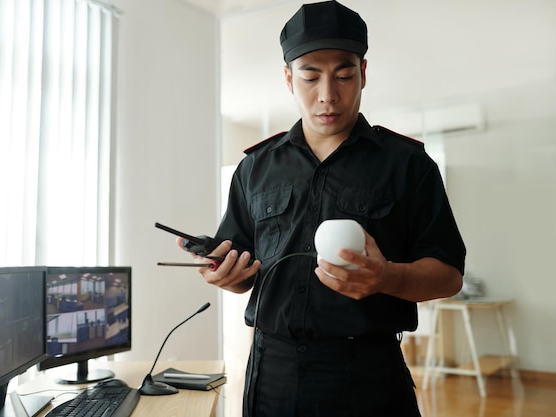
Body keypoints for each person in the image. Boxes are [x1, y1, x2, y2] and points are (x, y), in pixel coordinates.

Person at [177, 1, 466, 416]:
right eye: (310, 76)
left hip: (367, 376)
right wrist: (226, 275)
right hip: (271, 373)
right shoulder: (255, 168)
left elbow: (449, 275)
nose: (328, 95)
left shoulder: (409, 166)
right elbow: (242, 270)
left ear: (363, 73)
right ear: (288, 78)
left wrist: (386, 277)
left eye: (344, 75)